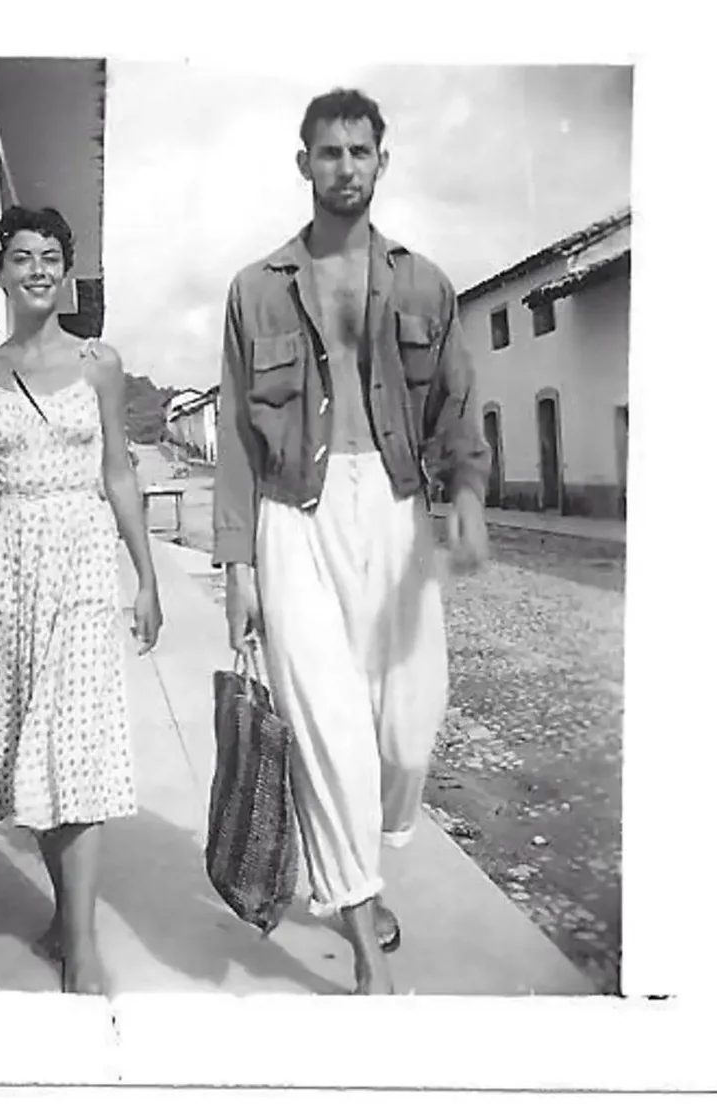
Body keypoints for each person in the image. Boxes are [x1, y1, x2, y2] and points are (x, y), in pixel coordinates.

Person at [212, 89, 490, 994]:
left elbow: (456, 407)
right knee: (328, 728)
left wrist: (471, 496)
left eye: (359, 151)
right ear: (304, 164)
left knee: (407, 728)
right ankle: (364, 937)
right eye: (327, 152)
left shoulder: (423, 283)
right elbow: (236, 441)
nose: (344, 167)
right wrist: (238, 568)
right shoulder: (257, 290)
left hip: (396, 504)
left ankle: (359, 872)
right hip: (294, 513)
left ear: (381, 160)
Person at [0, 205, 162, 995]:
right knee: (29, 752)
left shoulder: (100, 364)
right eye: (22, 257)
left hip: (82, 562)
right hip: (7, 567)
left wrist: (145, 576)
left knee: (73, 743)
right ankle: (64, 916)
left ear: (67, 270)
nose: (39, 269)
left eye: (52, 255)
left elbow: (120, 470)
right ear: (1, 273)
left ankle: (81, 945)